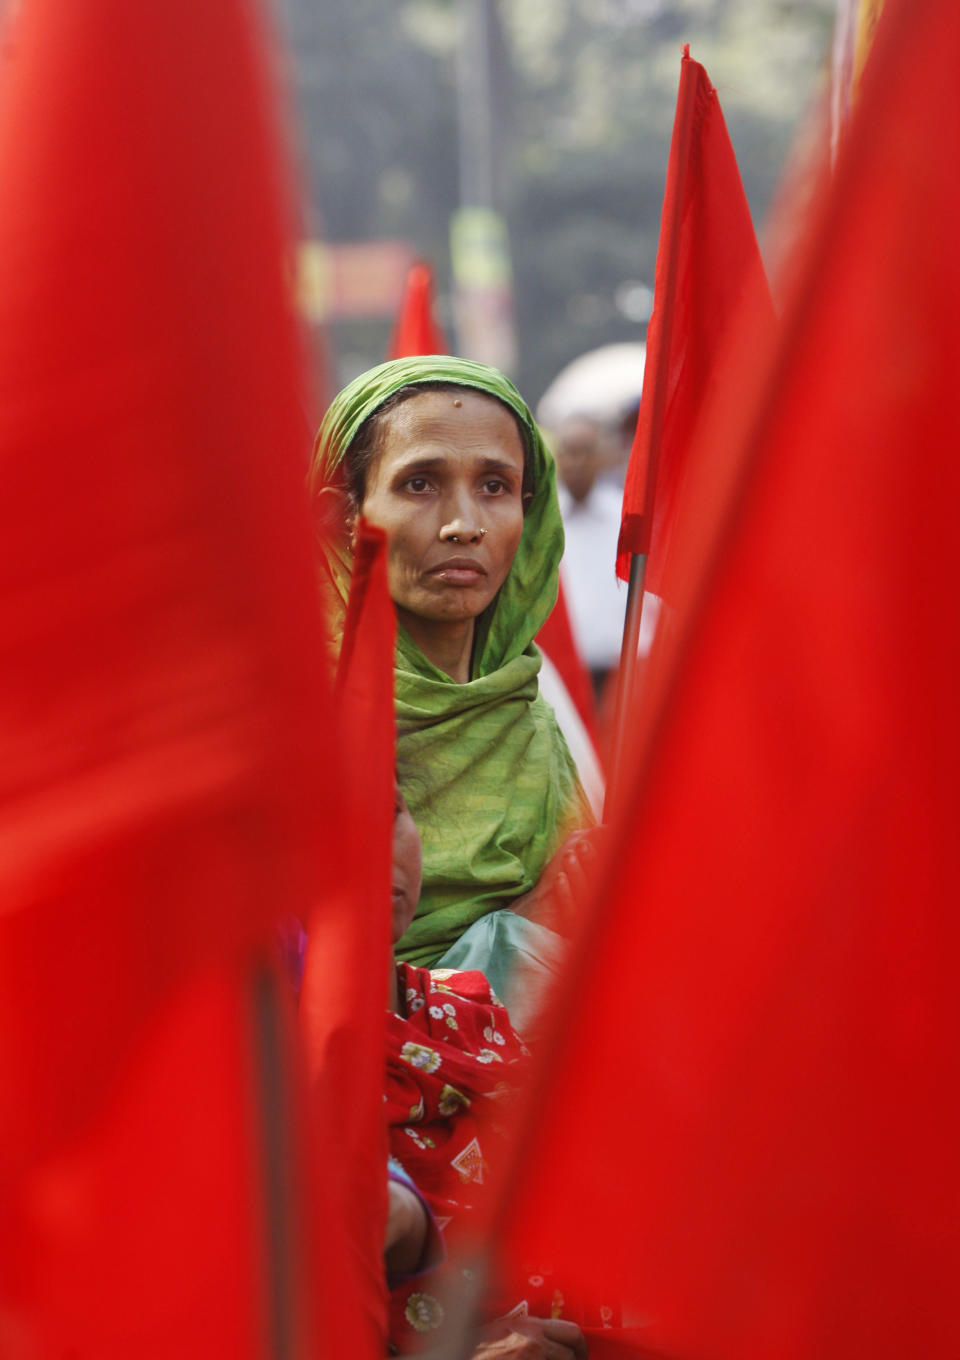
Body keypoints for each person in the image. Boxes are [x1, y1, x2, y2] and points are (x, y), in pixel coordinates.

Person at [311, 356, 598, 994]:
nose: (464, 524)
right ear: (345, 517)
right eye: (419, 484)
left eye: (495, 486)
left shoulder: (530, 720)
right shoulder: (297, 724)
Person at [386, 784, 591, 1359]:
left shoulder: (470, 1006)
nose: (375, 848)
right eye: (328, 822)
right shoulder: (267, 1074)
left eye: (388, 812)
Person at [549, 414, 627, 700]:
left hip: (619, 673)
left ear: (602, 456)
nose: (577, 462)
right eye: (570, 451)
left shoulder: (625, 517)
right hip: (563, 676)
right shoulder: (542, 520)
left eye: (586, 452)